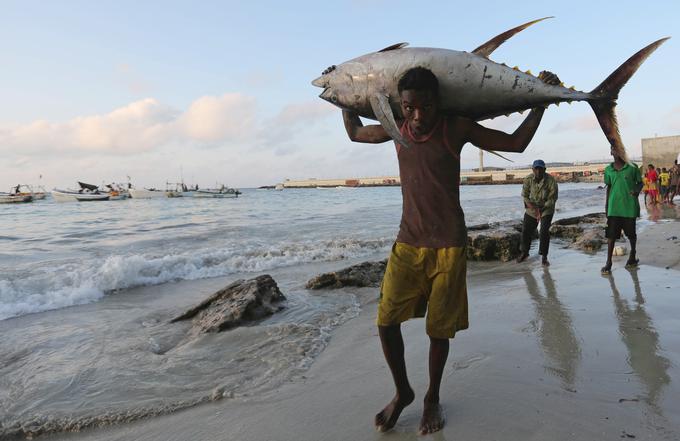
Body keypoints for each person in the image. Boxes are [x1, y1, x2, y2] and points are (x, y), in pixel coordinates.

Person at [342, 66, 560, 434]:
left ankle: (432, 397)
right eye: (409, 107)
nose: (416, 115)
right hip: (407, 243)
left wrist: (542, 103)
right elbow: (354, 132)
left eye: (425, 106)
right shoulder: (396, 128)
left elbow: (516, 143)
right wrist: (343, 91)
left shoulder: (455, 127)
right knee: (385, 322)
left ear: (437, 103)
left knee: (438, 330)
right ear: (401, 105)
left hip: (448, 246)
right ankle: (403, 391)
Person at [601, 146, 643, 275]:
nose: (616, 151)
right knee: (611, 237)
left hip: (629, 207)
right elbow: (609, 187)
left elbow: (640, 183)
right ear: (611, 152)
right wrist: (607, 206)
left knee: (631, 234)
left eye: (618, 149)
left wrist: (636, 191)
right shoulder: (608, 170)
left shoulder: (632, 167)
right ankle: (608, 262)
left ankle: (633, 255)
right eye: (614, 149)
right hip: (614, 208)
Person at [517, 159, 558, 266]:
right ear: (533, 169)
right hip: (532, 209)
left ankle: (544, 256)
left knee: (544, 231)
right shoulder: (528, 179)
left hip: (546, 208)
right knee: (526, 230)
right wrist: (534, 208)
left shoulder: (551, 180)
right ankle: (524, 253)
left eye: (540, 169)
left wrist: (542, 209)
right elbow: (525, 195)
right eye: (536, 169)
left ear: (544, 169)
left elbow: (553, 198)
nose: (538, 171)